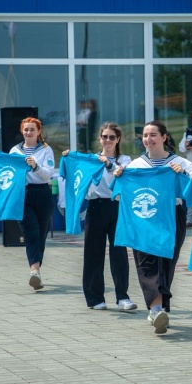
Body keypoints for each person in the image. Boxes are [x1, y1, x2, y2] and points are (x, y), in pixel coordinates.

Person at [113, 120, 192, 334]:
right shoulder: (135, 165)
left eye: (153, 135)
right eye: (145, 135)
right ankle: (156, 309)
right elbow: (117, 196)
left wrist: (184, 174)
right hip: (143, 220)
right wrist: (120, 177)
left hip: (171, 216)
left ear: (164, 137)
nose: (148, 139)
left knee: (166, 262)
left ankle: (159, 308)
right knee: (146, 262)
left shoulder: (178, 162)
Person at [62, 122, 137, 311]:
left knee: (119, 252)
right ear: (100, 138)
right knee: (93, 252)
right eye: (105, 137)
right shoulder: (91, 160)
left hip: (117, 206)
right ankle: (95, 298)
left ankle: (122, 297)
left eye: (112, 137)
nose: (108, 140)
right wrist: (70, 158)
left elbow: (123, 178)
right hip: (96, 206)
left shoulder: (125, 160)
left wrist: (109, 164)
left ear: (118, 139)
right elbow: (76, 175)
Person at [0, 117, 55, 290]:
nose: (29, 132)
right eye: (26, 129)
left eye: (32, 129)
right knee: (31, 232)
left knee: (41, 235)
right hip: (22, 195)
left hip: (42, 194)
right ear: (21, 131)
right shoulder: (15, 151)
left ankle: (37, 269)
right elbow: (7, 171)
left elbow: (48, 174)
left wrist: (36, 167)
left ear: (38, 132)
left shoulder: (46, 150)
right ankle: (34, 271)